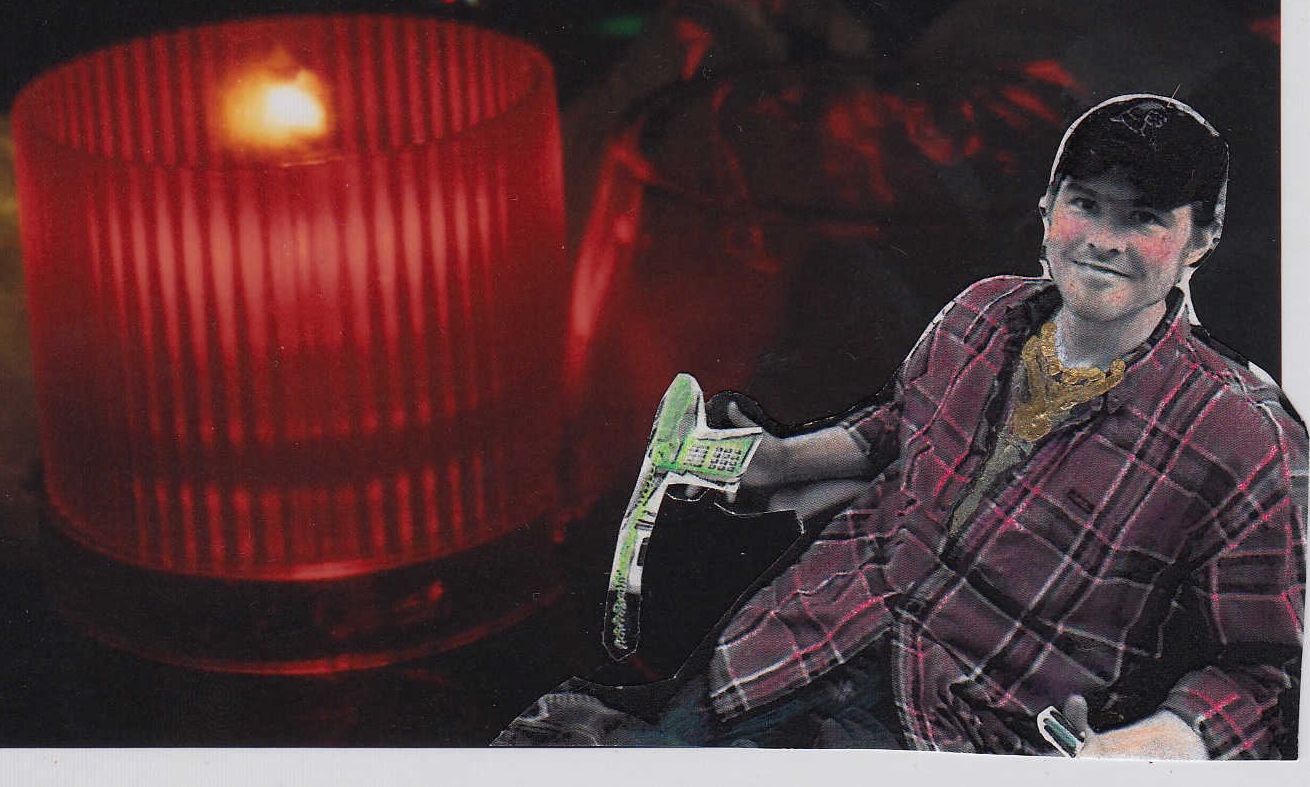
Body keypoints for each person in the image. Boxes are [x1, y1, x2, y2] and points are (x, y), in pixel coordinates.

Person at [497, 95, 1305, 757]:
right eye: (1085, 204)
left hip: (956, 728)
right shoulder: (980, 313)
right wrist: (779, 460)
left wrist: (1153, 744)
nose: (1102, 240)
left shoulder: (1243, 434)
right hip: (798, 641)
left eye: (1144, 218)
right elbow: (893, 430)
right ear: (1048, 206)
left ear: (1203, 237)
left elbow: (1267, 675)